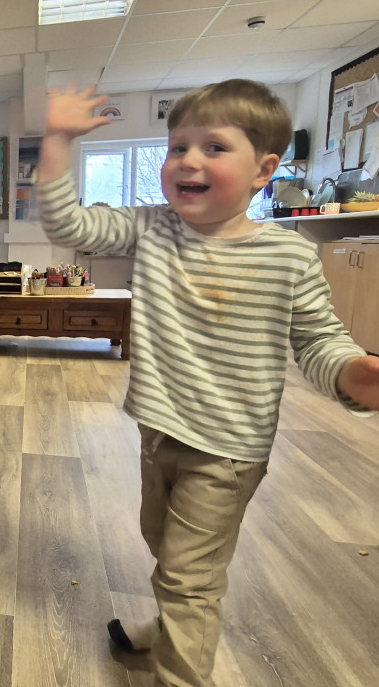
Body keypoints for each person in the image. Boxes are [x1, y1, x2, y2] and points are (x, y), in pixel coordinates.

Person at [35, 79, 379, 687]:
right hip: (160, 430)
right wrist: (58, 139)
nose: (188, 161)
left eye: (214, 148)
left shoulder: (289, 256)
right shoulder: (154, 228)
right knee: (161, 541)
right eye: (177, 147)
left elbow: (319, 341)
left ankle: (180, 662)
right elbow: (68, 223)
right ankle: (167, 626)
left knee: (189, 578)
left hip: (227, 449)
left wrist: (355, 374)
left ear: (263, 170)